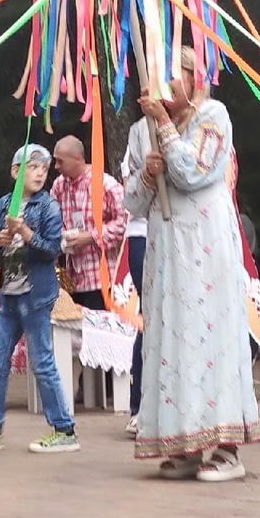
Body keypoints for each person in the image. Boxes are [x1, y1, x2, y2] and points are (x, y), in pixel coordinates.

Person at [126, 46, 260, 482]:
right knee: (172, 341)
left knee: (211, 335)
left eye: (172, 77)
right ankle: (183, 441)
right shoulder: (144, 130)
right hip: (166, 249)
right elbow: (131, 201)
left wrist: (165, 128)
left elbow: (194, 172)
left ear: (192, 77)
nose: (163, 89)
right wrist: (147, 174)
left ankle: (225, 450)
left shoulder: (213, 115)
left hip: (206, 243)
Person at [0, 143, 78, 455]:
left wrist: (26, 233)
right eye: (33, 167)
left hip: (36, 295)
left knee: (42, 362)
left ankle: (64, 430)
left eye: (44, 169)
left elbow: (53, 250)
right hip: (8, 296)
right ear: (15, 171)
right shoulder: (3, 205)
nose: (39, 173)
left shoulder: (48, 207)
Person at [51, 135, 127, 311]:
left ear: (77, 157)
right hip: (72, 280)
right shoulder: (59, 186)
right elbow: (52, 220)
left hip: (102, 279)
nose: (56, 167)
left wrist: (91, 236)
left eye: (60, 161)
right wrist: (62, 238)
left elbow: (124, 221)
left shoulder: (105, 183)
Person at [119, 118, 150, 438]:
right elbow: (132, 194)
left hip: (182, 234)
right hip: (144, 233)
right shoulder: (139, 131)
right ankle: (139, 406)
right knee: (150, 318)